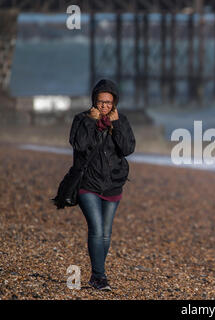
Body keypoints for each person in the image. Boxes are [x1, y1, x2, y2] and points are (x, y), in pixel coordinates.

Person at [69, 79, 136, 291]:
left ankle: (96, 273)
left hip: (113, 184)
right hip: (87, 183)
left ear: (114, 102)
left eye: (108, 102)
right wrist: (91, 121)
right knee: (96, 230)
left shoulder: (121, 120)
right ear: (94, 101)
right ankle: (99, 277)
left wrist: (116, 125)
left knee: (106, 233)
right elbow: (79, 145)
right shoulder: (81, 119)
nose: (104, 106)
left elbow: (127, 148)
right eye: (100, 101)